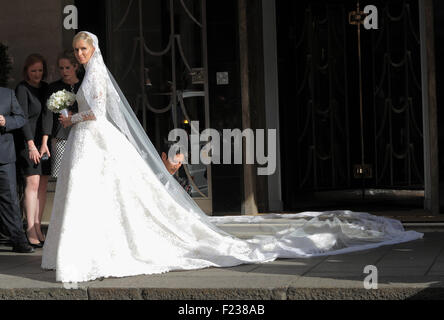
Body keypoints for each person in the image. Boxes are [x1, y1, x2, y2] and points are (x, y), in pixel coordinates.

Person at [41, 31, 423, 283]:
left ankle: (93, 252)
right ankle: (85, 250)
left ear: (93, 51)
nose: (78, 54)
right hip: (87, 142)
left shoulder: (95, 77)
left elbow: (99, 112)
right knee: (90, 197)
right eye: (75, 50)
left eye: (82, 49)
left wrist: (69, 117)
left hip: (94, 136)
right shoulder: (87, 76)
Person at [15, 54, 51, 248]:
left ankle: (38, 226)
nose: (37, 74)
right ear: (27, 71)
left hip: (42, 142)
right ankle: (29, 228)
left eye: (40, 70)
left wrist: (44, 142)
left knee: (43, 183)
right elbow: (22, 118)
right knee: (33, 183)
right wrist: (31, 145)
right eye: (33, 70)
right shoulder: (22, 89)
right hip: (26, 142)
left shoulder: (45, 88)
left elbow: (47, 116)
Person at [0, 87, 35, 253]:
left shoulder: (7, 94)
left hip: (4, 157)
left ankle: (18, 241)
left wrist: (5, 122)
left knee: (10, 201)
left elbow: (21, 118)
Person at [46, 50, 82, 178]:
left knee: (79, 173)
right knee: (61, 176)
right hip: (60, 136)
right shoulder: (53, 87)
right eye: (61, 68)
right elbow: (48, 115)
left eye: (67, 67)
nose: (64, 71)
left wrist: (74, 116)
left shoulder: (83, 85)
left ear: (75, 66)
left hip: (81, 134)